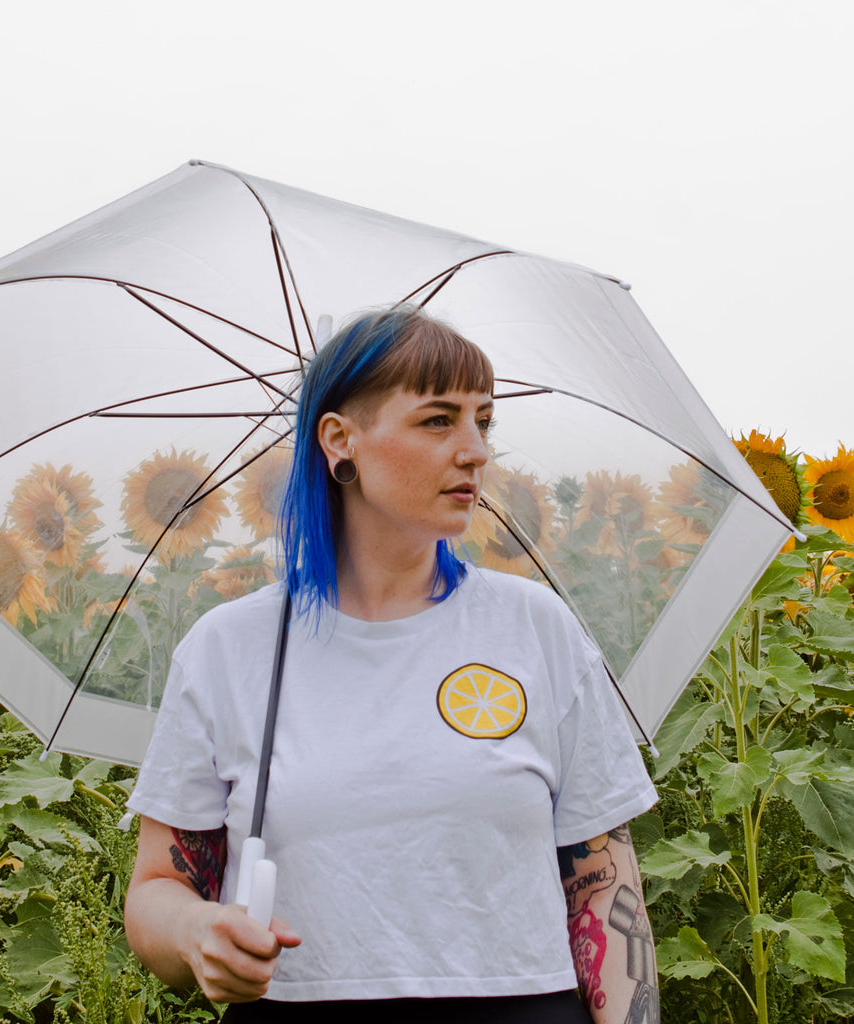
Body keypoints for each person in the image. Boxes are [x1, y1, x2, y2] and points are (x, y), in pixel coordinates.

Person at [124, 307, 660, 1023]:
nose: (475, 451)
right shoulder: (232, 649)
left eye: (484, 422)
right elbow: (159, 886)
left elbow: (602, 887)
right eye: (438, 421)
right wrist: (196, 934)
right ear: (340, 440)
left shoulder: (536, 630)